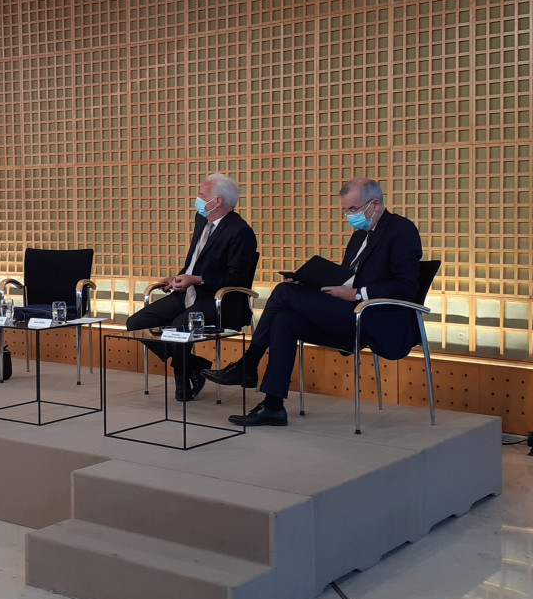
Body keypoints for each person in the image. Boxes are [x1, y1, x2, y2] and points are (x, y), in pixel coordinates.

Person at [203, 177, 422, 426]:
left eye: (353, 209)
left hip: (374, 317)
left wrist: (358, 293)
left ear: (375, 203)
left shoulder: (402, 230)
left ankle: (248, 364)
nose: (349, 216)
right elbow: (346, 278)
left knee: (282, 295)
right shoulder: (360, 235)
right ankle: (273, 406)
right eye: (345, 210)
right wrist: (310, 283)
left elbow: (406, 286)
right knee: (285, 320)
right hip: (346, 311)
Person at [125, 173, 258, 402]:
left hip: (219, 300)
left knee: (178, 328)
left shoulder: (241, 232)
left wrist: (197, 280)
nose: (197, 198)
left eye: (201, 195)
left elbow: (236, 278)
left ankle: (182, 375)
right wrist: (178, 278)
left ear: (217, 201)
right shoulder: (201, 220)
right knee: (136, 323)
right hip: (188, 293)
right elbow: (195, 261)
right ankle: (192, 365)